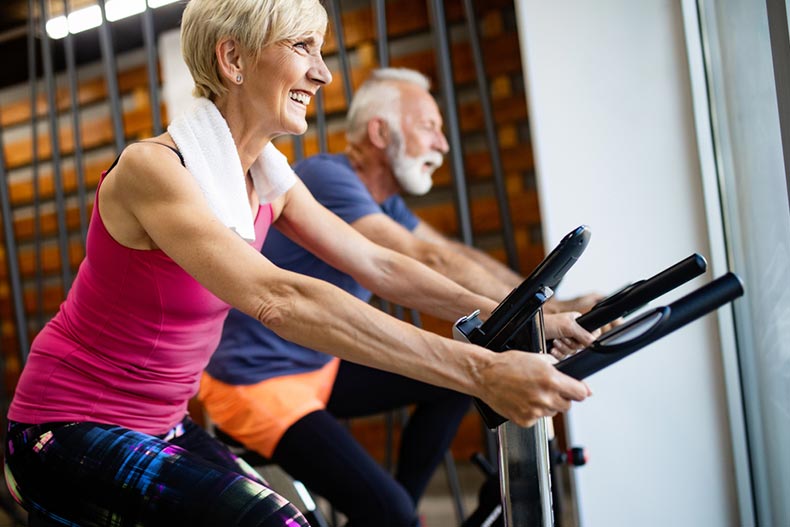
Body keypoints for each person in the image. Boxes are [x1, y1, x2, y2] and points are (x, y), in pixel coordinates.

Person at [4, 0, 595, 524]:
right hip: (64, 426)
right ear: (234, 59)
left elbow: (378, 265)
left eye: (322, 49)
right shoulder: (154, 170)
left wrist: (523, 319)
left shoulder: (267, 176)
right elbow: (277, 297)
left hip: (166, 424)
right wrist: (483, 372)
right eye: (301, 47)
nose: (324, 71)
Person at [199, 68, 600, 526]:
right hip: (256, 381)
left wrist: (547, 304)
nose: (443, 145)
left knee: (456, 383)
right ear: (379, 131)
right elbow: (425, 258)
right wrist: (546, 312)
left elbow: (449, 251)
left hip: (317, 365)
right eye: (430, 127)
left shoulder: (381, 199)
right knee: (387, 511)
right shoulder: (327, 181)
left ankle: (399, 514)